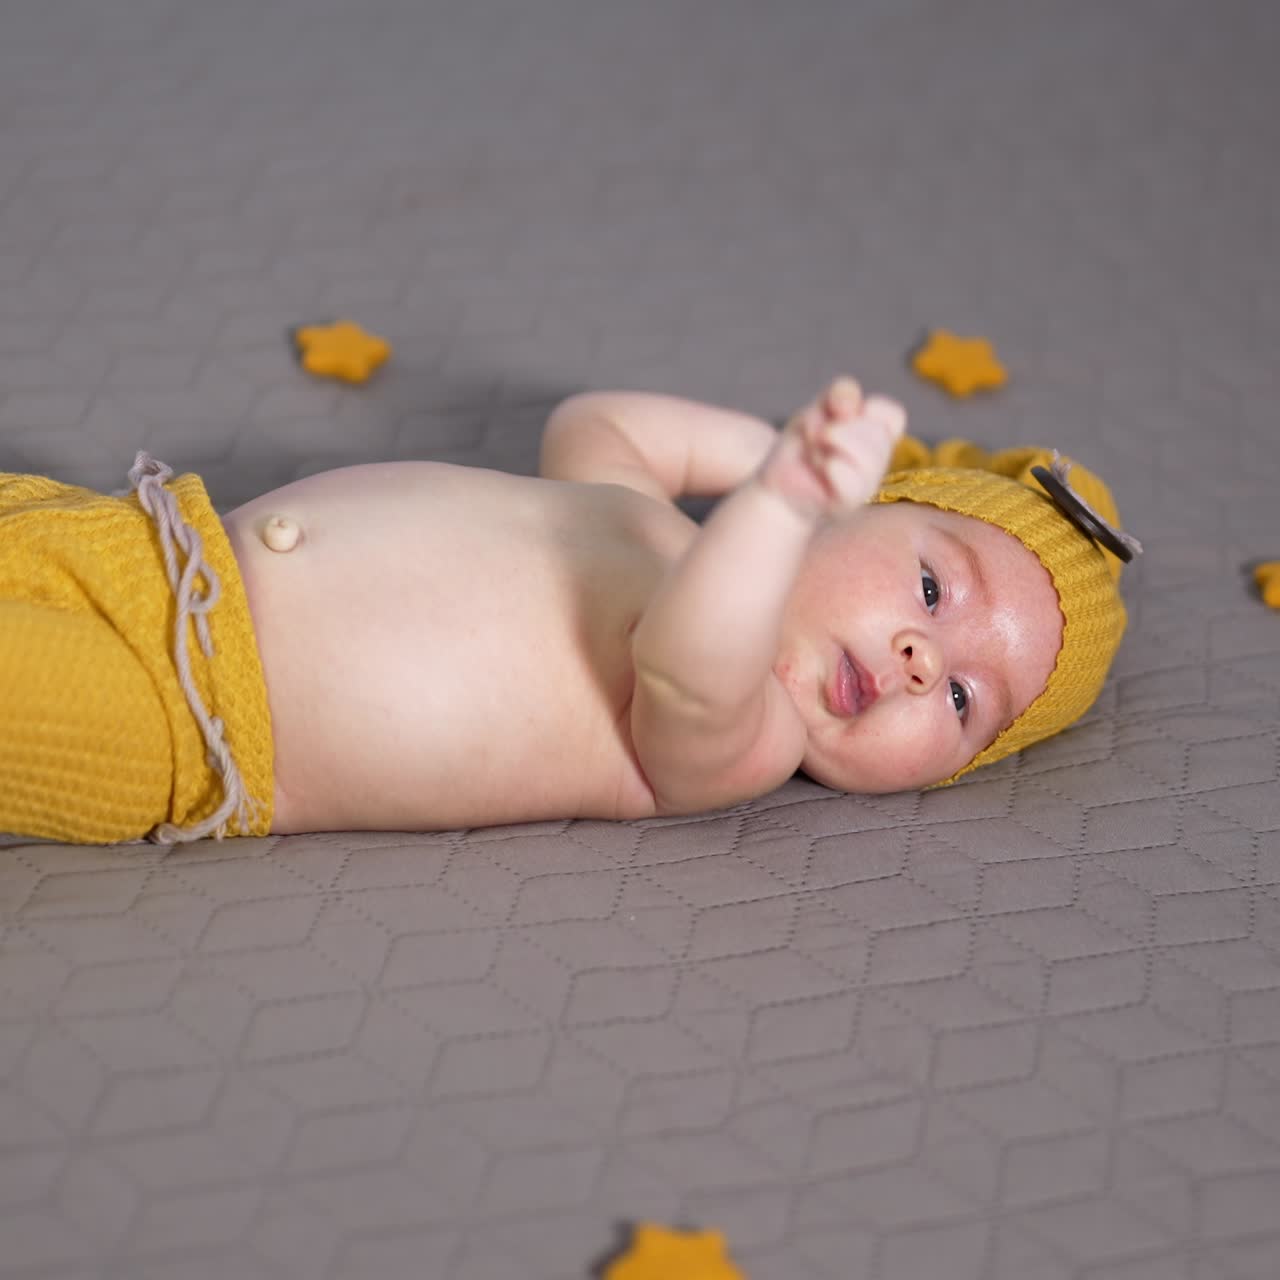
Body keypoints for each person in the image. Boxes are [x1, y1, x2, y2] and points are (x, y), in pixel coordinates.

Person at [0, 378, 1136, 845]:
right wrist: (780, 458)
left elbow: (692, 656)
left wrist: (785, 503)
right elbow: (601, 419)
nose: (910, 660)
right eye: (931, 589)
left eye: (959, 701)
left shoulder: (742, 740)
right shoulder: (636, 512)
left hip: (188, 717)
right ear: (862, 510)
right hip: (145, 544)